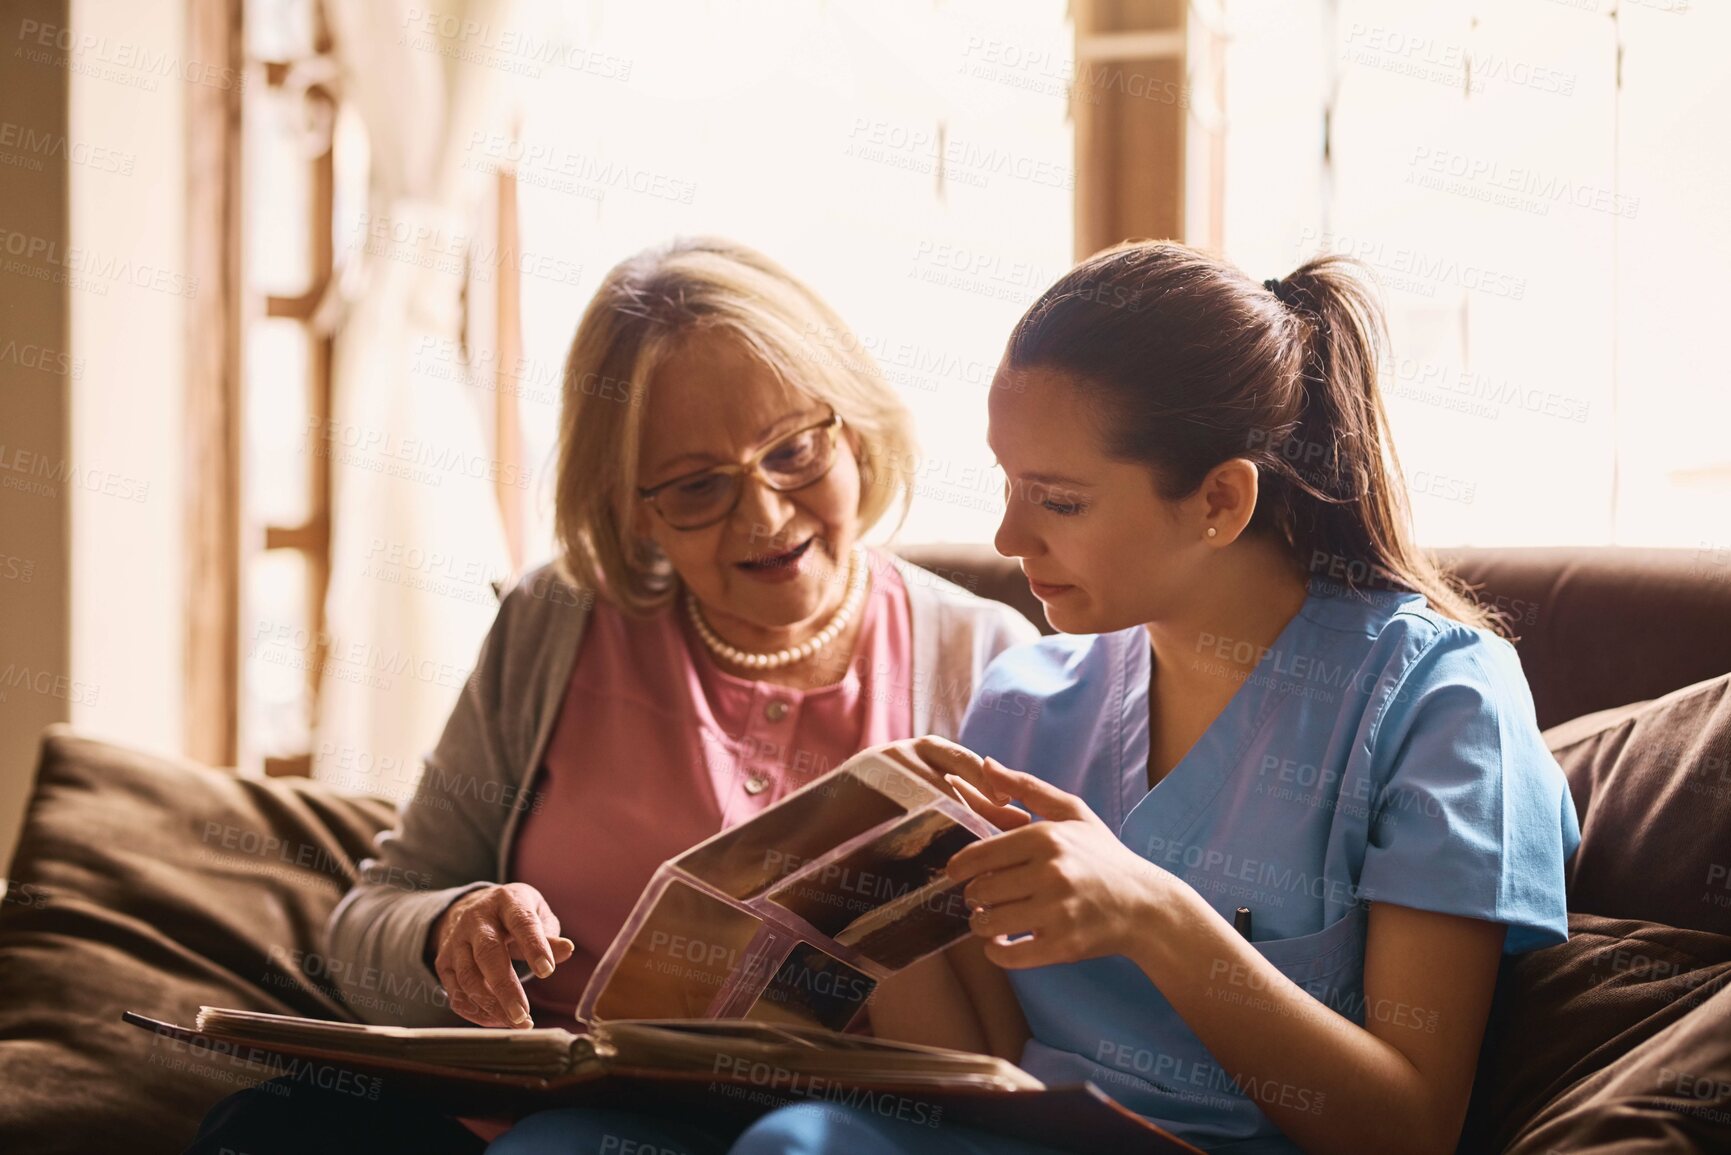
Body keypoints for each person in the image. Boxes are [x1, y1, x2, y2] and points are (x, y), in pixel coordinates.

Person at [495, 241, 1581, 1154]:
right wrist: (871, 892)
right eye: (1008, 485)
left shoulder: (1440, 706)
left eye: (1057, 500)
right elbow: (983, 1063)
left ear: (1218, 501)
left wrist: (1155, 915)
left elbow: (1413, 1126)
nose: (1011, 542)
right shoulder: (1025, 702)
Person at [180, 237, 1038, 1155]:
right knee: (262, 1130)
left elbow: (1036, 1012)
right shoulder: (556, 619)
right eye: (699, 486)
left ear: (855, 430)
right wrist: (446, 931)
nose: (765, 515)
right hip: (533, 1108)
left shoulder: (988, 658)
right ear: (633, 507)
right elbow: (370, 921)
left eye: (793, 450)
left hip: (818, 1126)